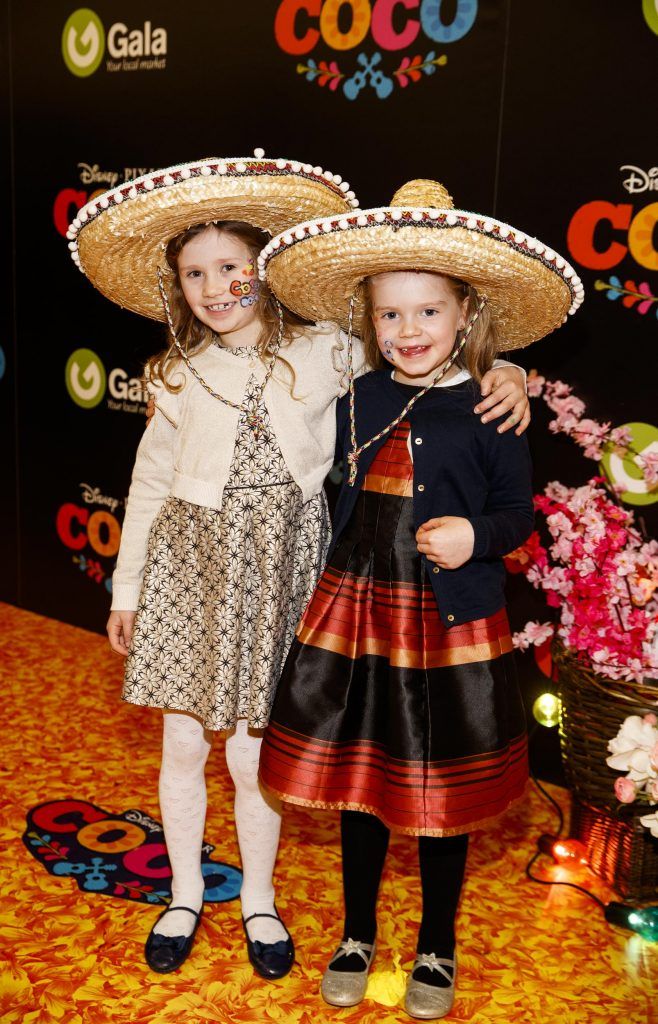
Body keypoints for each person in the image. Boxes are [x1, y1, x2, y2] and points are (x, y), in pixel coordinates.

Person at [67, 157, 529, 981]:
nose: (216, 288)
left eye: (233, 269)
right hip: (189, 570)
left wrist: (511, 370)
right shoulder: (175, 372)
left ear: (264, 272)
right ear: (178, 288)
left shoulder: (328, 353)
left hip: (284, 574)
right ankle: (180, 891)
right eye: (195, 274)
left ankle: (259, 899)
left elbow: (425, 351)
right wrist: (128, 587)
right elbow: (145, 483)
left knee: (253, 755)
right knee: (182, 744)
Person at [258, 180, 583, 1017]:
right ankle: (358, 930)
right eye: (391, 315)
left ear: (465, 314)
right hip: (359, 619)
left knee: (441, 793)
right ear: (371, 320)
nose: (408, 331)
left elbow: (518, 512)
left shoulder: (493, 406)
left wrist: (479, 537)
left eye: (428, 313)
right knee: (361, 783)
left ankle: (437, 940)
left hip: (448, 628)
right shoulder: (358, 395)